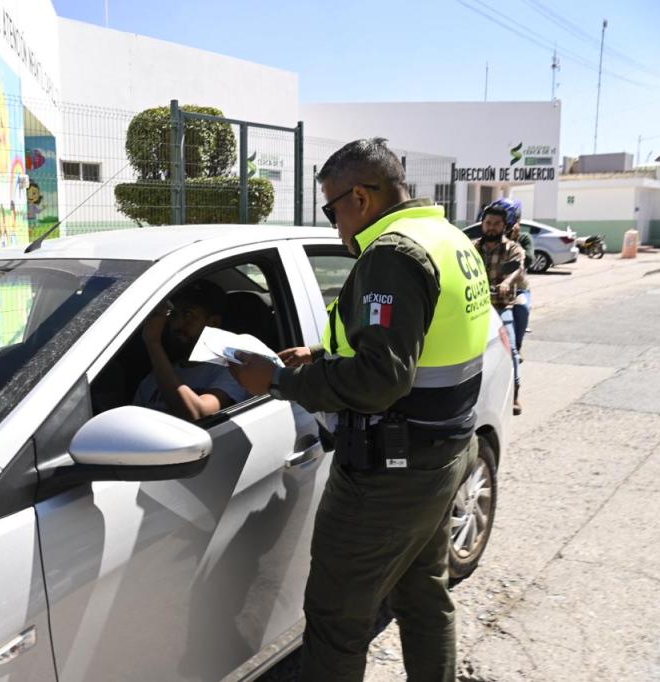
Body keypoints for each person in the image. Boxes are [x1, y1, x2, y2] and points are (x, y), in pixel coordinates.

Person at [229, 138, 489, 681]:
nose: (333, 225)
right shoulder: (448, 238)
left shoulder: (392, 254)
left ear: (362, 198)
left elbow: (380, 379)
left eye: (331, 208)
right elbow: (413, 347)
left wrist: (277, 378)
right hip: (442, 456)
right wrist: (323, 356)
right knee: (423, 595)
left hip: (389, 477)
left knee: (335, 619)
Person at [134, 279, 249, 421]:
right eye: (174, 315)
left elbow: (198, 415)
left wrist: (153, 343)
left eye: (188, 315)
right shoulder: (155, 377)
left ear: (213, 323)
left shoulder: (231, 370)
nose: (177, 323)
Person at [475, 198, 525, 415]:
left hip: (502, 306)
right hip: (477, 306)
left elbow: (517, 269)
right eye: (488, 223)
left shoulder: (512, 249)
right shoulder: (472, 248)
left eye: (496, 224)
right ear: (482, 224)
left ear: (504, 227)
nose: (491, 227)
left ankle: (515, 394)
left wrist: (506, 283)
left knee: (510, 349)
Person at [506, 202, 533, 354]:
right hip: (496, 290)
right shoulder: (493, 238)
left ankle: (517, 345)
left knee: (522, 307)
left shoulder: (524, 238)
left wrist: (514, 240)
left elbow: (528, 260)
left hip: (519, 289)